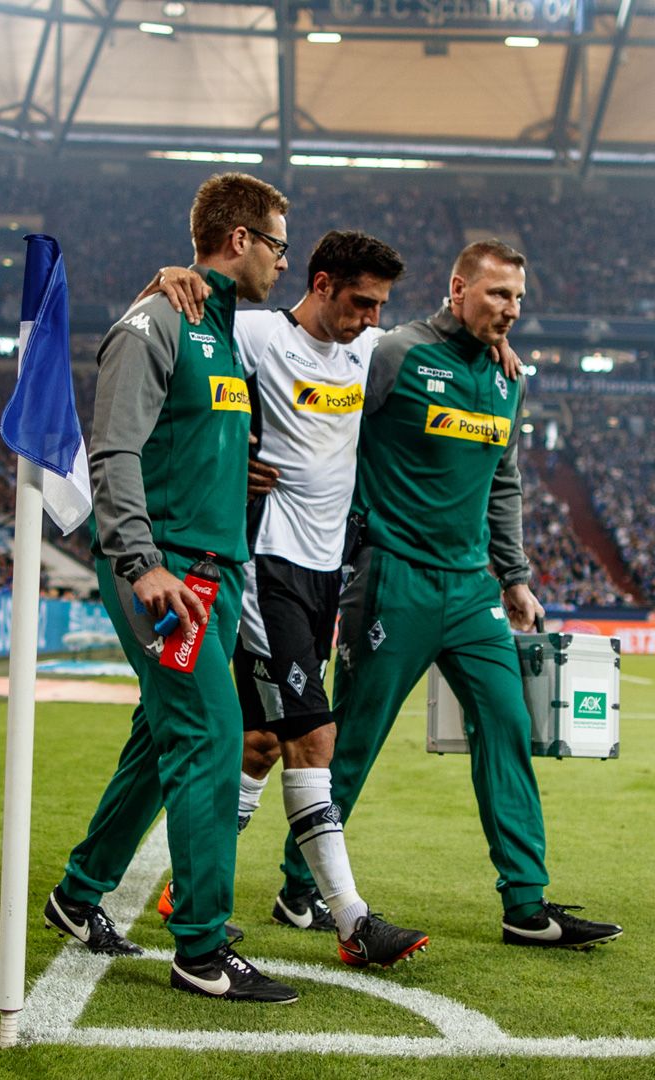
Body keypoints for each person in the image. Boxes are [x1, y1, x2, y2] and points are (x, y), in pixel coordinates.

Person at [142, 231, 517, 968]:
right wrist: (172, 277)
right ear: (320, 285)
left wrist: (493, 342)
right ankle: (351, 920)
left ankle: (188, 889)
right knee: (316, 737)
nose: (371, 319)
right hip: (268, 564)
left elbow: (441, 345)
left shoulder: (369, 352)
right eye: (360, 303)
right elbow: (171, 343)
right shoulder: (258, 334)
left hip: (326, 572)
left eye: (380, 306)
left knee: (259, 744)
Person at [276, 239, 621, 950]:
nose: (511, 310)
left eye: (518, 298)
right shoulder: (394, 352)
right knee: (354, 739)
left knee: (508, 726)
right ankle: (300, 887)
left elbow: (504, 480)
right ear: (459, 289)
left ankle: (526, 905)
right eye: (497, 295)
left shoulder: (507, 379)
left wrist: (514, 575)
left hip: (471, 591)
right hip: (392, 577)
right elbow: (320, 394)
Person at [41, 172, 299, 1004]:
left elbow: (185, 434)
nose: (284, 264)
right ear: (239, 240)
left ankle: (80, 892)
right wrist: (139, 561)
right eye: (278, 246)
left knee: (160, 746)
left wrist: (231, 469)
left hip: (214, 574)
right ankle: (201, 949)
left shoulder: (222, 326)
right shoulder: (156, 321)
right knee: (212, 740)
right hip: (168, 577)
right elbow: (115, 449)